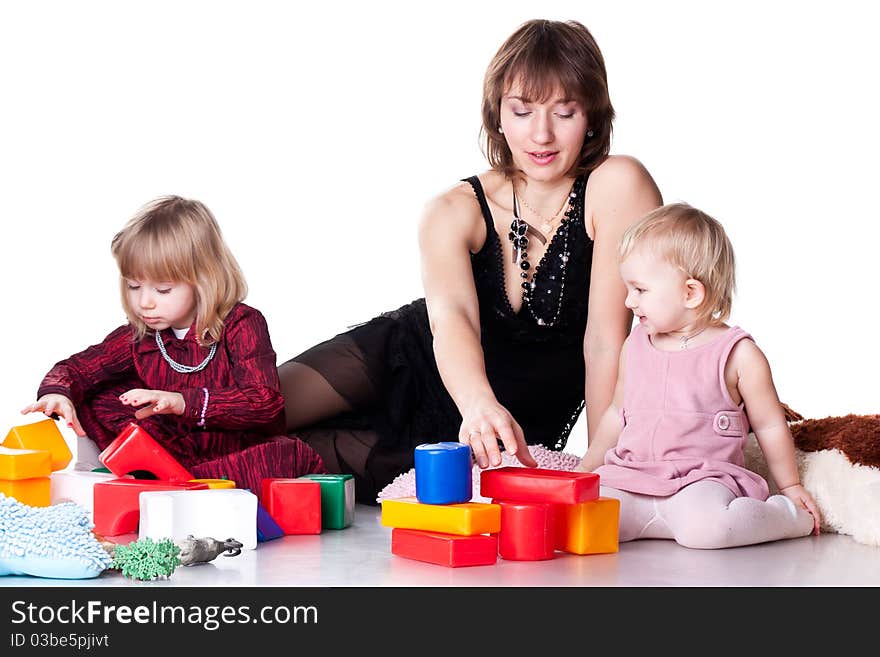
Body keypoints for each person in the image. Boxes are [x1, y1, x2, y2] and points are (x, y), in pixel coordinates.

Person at [278, 19, 662, 502]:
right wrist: (478, 402)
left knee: (276, 459)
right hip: (419, 363)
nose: (541, 135)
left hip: (486, 427)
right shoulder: (452, 210)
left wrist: (603, 467)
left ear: (591, 117)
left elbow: (607, 340)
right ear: (497, 115)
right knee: (245, 410)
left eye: (564, 113)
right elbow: (450, 318)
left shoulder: (617, 186)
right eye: (522, 112)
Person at [21, 196, 326, 492]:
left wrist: (183, 402)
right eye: (134, 286)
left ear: (203, 280)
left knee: (275, 459)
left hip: (233, 450)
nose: (144, 302)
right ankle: (148, 474)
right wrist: (56, 393)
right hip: (171, 451)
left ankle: (173, 482)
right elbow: (76, 368)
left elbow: (264, 402)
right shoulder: (141, 336)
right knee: (96, 391)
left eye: (163, 289)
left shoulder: (241, 324)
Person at [576, 202, 821, 548]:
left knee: (708, 530)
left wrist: (792, 487)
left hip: (700, 482)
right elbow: (617, 414)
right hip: (630, 479)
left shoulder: (738, 354)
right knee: (578, 520)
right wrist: (585, 470)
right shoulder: (635, 347)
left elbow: (769, 425)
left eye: (640, 290)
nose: (629, 301)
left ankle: (787, 518)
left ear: (690, 293)